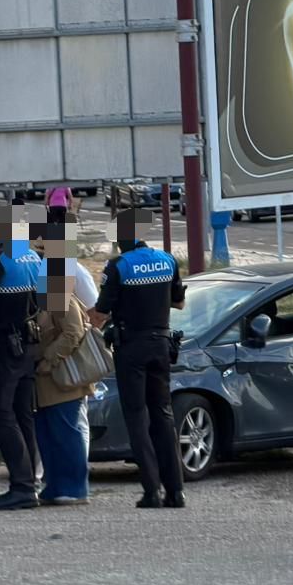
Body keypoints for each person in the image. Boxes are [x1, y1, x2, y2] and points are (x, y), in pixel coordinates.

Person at [95, 209, 186, 509]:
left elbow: (101, 311)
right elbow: (179, 301)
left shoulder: (118, 266)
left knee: (137, 418)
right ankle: (176, 491)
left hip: (131, 347)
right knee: (163, 415)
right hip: (161, 343)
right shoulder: (167, 260)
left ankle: (152, 492)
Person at [0, 203, 44, 510]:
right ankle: (31, 483)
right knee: (23, 415)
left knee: (1, 414)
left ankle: (22, 486)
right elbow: (48, 301)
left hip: (4, 346)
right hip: (29, 344)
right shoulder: (36, 257)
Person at [33, 270, 94, 505]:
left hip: (62, 378)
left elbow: (73, 332)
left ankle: (75, 488)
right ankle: (55, 486)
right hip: (47, 381)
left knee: (67, 433)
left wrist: (49, 358)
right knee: (48, 435)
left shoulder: (58, 295)